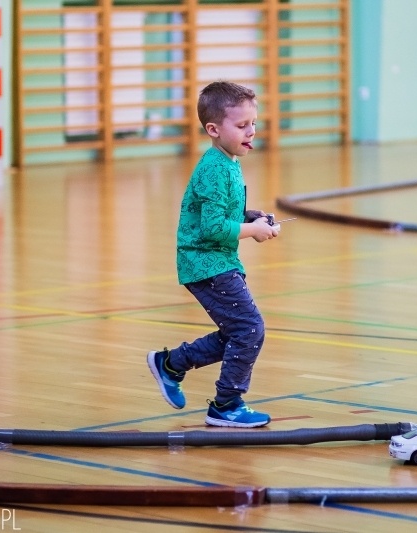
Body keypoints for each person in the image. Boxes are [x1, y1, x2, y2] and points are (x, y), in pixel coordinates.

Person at [146, 81, 279, 428]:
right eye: (242, 126)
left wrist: (250, 217)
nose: (251, 131)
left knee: (239, 331)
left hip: (216, 261)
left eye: (253, 123)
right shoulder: (215, 169)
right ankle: (226, 404)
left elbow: (223, 215)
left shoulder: (228, 161)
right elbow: (211, 229)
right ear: (214, 129)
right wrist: (253, 231)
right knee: (250, 329)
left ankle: (172, 363)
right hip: (205, 263)